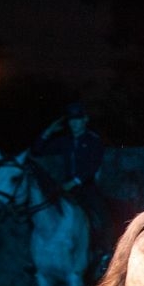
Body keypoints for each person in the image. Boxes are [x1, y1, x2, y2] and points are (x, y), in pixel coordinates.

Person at [32, 102, 110, 266]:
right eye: (71, 120)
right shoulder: (65, 141)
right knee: (42, 210)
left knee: (102, 215)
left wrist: (75, 182)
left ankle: (104, 254)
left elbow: (93, 165)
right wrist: (48, 132)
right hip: (66, 189)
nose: (74, 123)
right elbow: (37, 151)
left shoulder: (93, 140)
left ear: (85, 120)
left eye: (78, 119)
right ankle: (39, 256)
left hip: (86, 187)